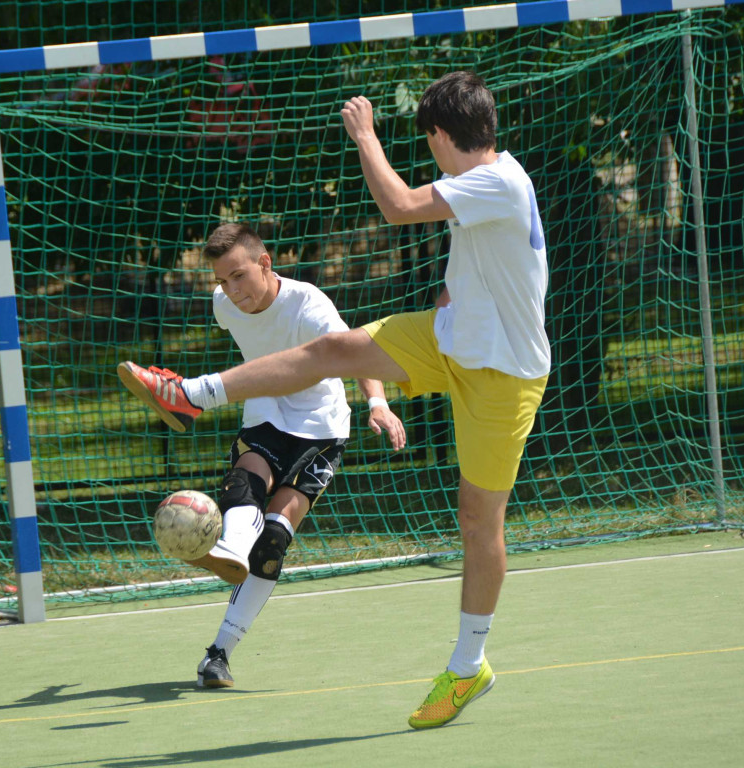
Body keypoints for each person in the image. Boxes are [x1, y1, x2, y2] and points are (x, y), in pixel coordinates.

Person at [119, 71, 550, 728]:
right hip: (451, 338)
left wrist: (366, 135)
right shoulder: (488, 186)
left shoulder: (497, 181)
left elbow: (400, 206)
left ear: (439, 134)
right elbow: (481, 268)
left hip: (503, 376)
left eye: (427, 140)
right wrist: (452, 301)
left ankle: (467, 668)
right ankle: (188, 394)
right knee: (331, 350)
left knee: (477, 522)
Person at [119, 222, 406, 689]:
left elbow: (355, 352)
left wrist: (378, 403)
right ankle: (231, 549)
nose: (230, 290)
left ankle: (219, 654)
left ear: (265, 263)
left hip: (323, 428)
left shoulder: (308, 304)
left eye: (238, 276)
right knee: (244, 485)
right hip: (267, 414)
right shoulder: (223, 305)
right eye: (220, 281)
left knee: (273, 541)